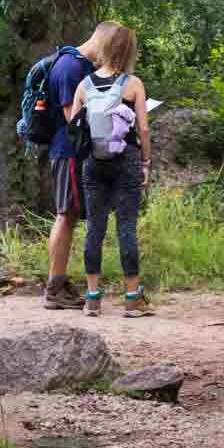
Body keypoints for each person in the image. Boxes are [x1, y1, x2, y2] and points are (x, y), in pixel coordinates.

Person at [66, 21, 153, 317]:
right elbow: (143, 128)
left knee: (95, 229)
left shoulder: (84, 85)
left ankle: (92, 299)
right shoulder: (133, 84)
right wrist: (145, 163)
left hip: (93, 163)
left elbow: (74, 127)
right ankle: (131, 299)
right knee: (126, 227)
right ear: (129, 51)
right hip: (126, 160)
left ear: (103, 47)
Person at [41, 23, 105, 309]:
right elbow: (74, 119)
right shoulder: (70, 67)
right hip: (68, 152)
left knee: (67, 215)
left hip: (70, 152)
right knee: (66, 216)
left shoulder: (77, 65)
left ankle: (58, 284)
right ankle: (54, 288)